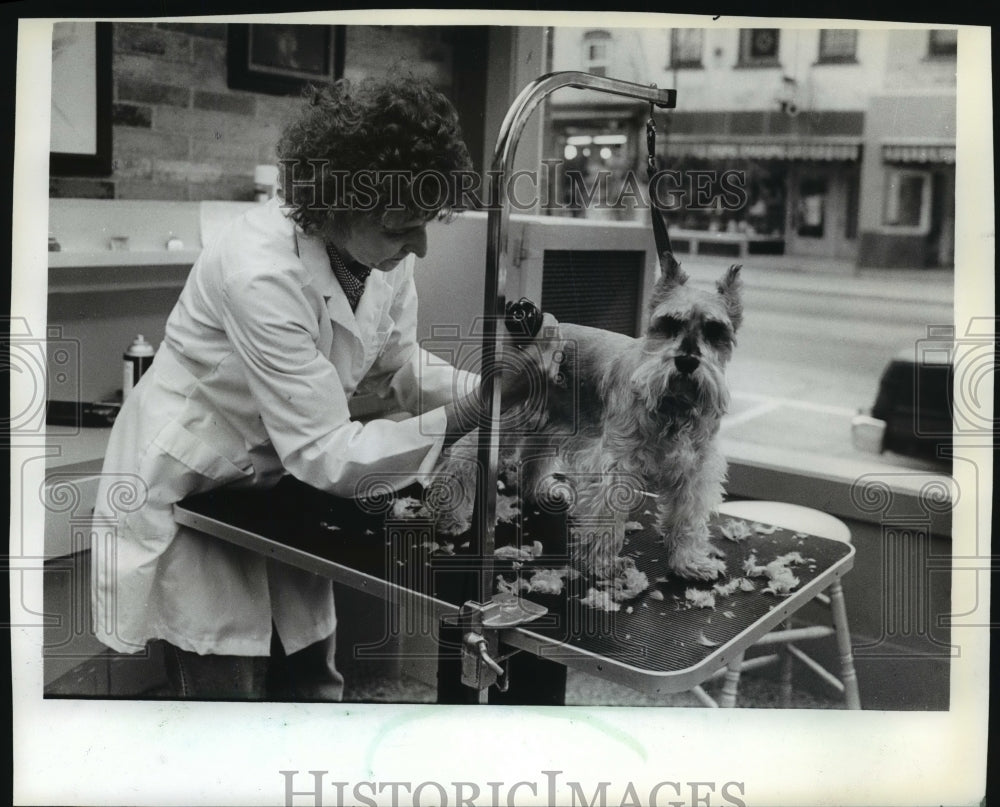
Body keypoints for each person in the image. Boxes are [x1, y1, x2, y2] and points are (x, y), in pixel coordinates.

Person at [91, 77, 540, 700]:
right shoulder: (261, 271)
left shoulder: (382, 255)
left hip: (278, 483)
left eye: (424, 224)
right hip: (196, 480)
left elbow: (397, 367)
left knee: (312, 681)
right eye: (402, 228)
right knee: (226, 702)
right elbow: (326, 451)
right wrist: (472, 410)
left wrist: (493, 388)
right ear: (335, 206)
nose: (420, 245)